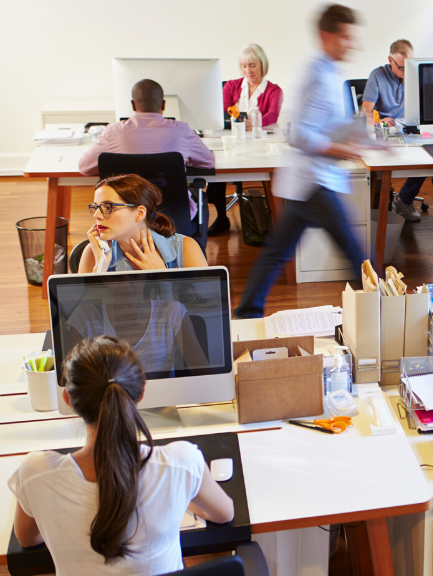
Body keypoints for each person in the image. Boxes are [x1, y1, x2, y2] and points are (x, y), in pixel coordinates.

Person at [8, 335, 233, 575]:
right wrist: (182, 499)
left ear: (69, 400)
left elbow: (27, 539)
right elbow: (224, 513)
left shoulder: (35, 473)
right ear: (141, 393)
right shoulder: (181, 463)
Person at [234, 4, 366, 319]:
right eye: (346, 37)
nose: (352, 44)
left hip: (312, 180)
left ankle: (246, 312)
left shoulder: (333, 72)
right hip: (313, 180)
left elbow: (328, 124)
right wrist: (337, 149)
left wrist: (360, 140)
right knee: (357, 255)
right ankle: (380, 314)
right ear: (326, 35)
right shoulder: (314, 73)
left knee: (278, 252)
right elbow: (295, 132)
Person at [78, 79, 215, 221]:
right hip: (173, 217)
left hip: (125, 217)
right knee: (199, 196)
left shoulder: (113, 131)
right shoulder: (181, 130)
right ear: (163, 104)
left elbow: (85, 168)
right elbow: (208, 161)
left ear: (133, 104)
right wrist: (185, 160)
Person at [208, 44, 284, 236]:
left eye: (252, 65)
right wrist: (242, 120)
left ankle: (270, 220)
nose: (247, 71)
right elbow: (223, 110)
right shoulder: (231, 86)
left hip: (259, 141)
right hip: (233, 139)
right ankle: (221, 217)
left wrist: (256, 122)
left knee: (271, 170)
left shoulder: (274, 90)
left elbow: (273, 115)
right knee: (216, 165)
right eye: (244, 66)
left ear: (262, 65)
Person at [79, 174, 208, 274]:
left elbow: (207, 306)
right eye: (96, 207)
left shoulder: (186, 249)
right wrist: (99, 270)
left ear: (140, 213)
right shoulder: (93, 253)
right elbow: (81, 308)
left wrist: (162, 276)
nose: (97, 215)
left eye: (108, 207)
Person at [361, 39, 424, 223]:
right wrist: (380, 121)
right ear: (390, 60)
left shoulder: (416, 75)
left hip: (407, 130)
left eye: (410, 65)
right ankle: (376, 210)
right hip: (383, 132)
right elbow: (365, 113)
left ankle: (404, 199)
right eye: (401, 67)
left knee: (428, 156)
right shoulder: (377, 76)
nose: (406, 71)